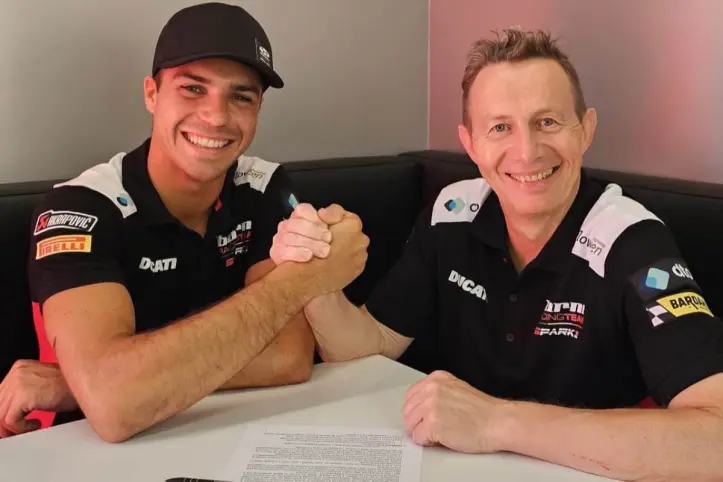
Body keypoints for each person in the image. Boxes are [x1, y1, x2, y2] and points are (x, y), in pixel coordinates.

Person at [270, 28, 723, 480]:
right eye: (500, 127)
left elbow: (715, 440)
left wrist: (496, 422)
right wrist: (312, 279)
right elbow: (370, 345)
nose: (526, 152)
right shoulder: (452, 213)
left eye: (547, 122)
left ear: (586, 130)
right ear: (470, 144)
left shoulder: (631, 241)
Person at [0, 2, 368, 442]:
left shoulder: (263, 186)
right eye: (193, 88)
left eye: (241, 96)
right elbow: (114, 406)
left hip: (218, 429)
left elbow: (288, 356)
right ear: (152, 94)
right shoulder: (79, 209)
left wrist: (84, 384)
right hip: (83, 447)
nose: (216, 116)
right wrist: (300, 284)